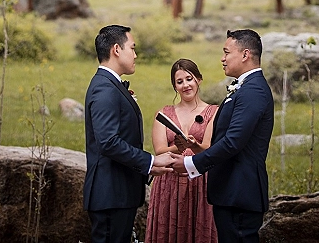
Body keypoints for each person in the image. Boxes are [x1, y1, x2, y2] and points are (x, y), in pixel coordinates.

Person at [170, 29, 274, 243]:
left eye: (226, 52)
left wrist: (191, 163)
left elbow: (233, 141)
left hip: (240, 192)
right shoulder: (244, 88)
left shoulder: (254, 91)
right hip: (230, 192)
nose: (222, 58)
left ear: (245, 55)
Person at [83, 24, 173, 243]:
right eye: (132, 48)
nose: (135, 54)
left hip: (119, 194)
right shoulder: (105, 89)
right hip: (111, 195)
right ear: (116, 49)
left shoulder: (111, 85)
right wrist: (150, 161)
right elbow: (108, 142)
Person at [145, 59, 218, 243]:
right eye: (180, 82)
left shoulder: (213, 112)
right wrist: (179, 147)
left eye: (189, 79)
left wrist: (193, 145)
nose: (185, 85)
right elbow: (160, 151)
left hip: (199, 180)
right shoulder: (164, 113)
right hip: (168, 181)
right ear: (174, 86)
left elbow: (209, 149)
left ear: (199, 80)